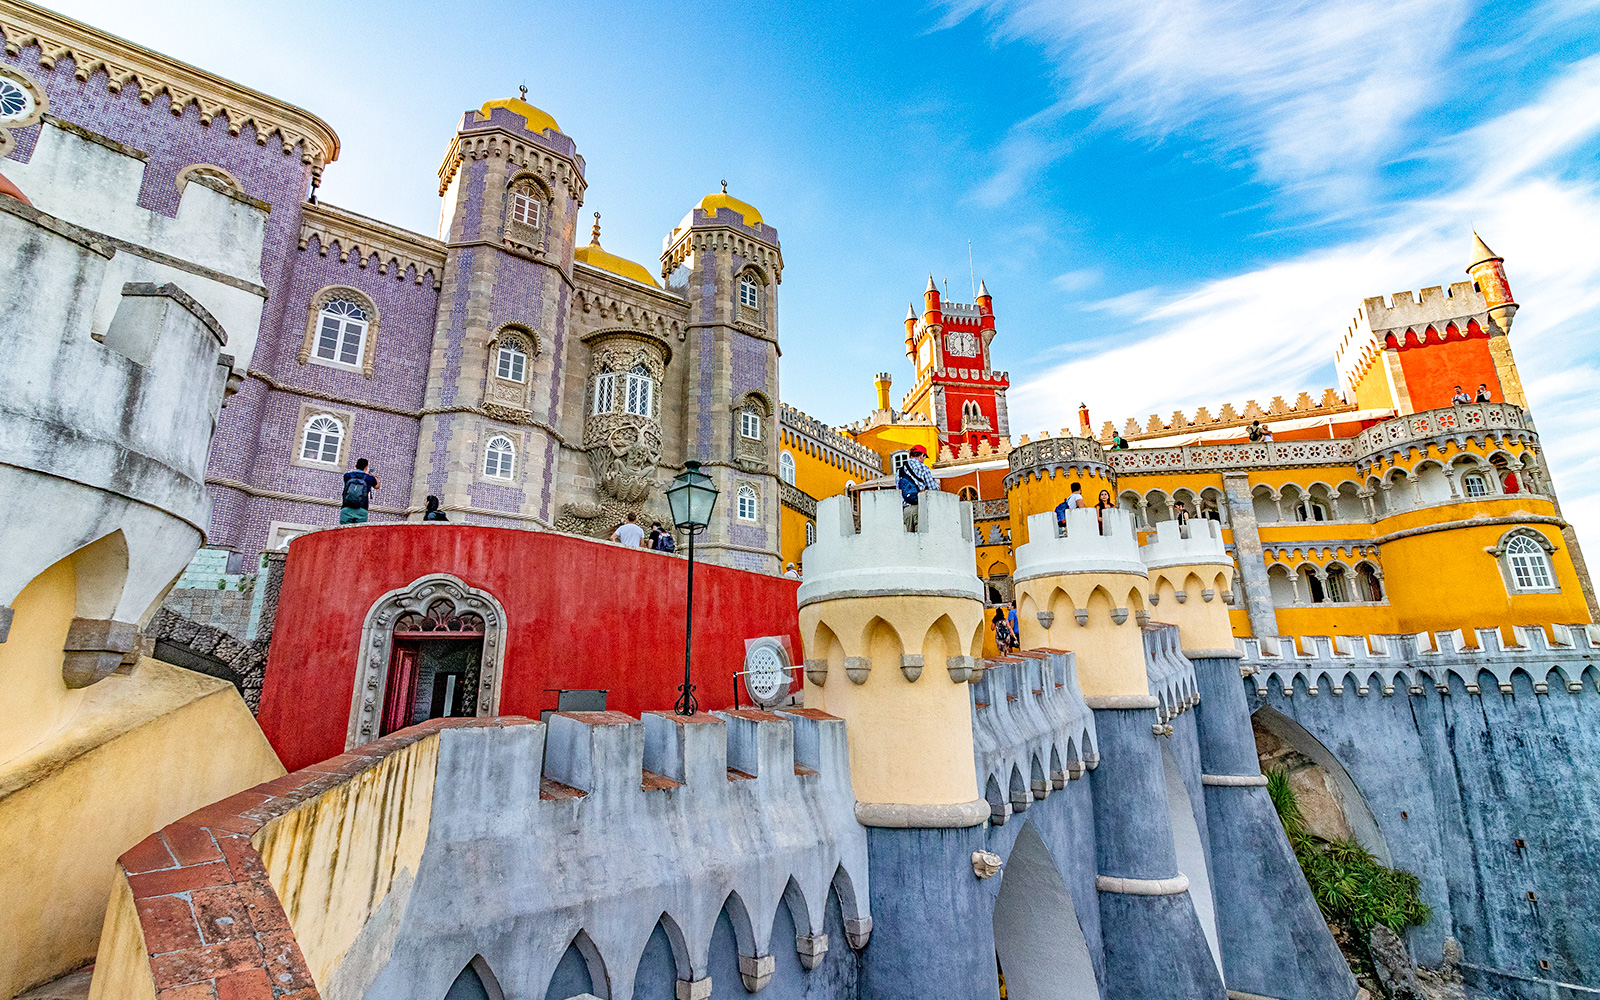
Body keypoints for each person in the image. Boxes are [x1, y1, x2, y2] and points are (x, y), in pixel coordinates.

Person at [897, 444, 939, 530]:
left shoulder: (900, 471)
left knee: (909, 540)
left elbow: (898, 490)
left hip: (906, 511)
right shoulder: (923, 468)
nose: (924, 460)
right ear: (922, 455)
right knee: (922, 539)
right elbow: (933, 489)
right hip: (919, 508)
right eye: (924, 457)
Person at [340, 459, 378, 525]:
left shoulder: (347, 476)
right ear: (366, 467)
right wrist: (375, 477)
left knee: (344, 532)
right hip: (362, 509)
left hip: (346, 508)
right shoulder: (369, 478)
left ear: (355, 466)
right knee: (359, 533)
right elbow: (377, 486)